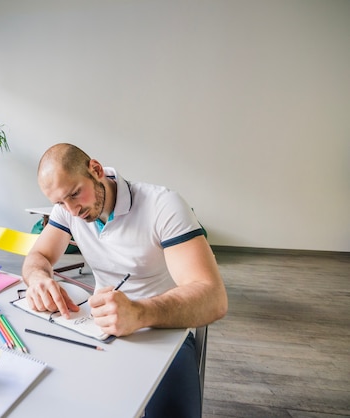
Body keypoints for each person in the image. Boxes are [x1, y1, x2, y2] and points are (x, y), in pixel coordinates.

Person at [21, 143, 228, 418]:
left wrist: (140, 313)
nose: (72, 211)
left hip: (164, 331)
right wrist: (38, 278)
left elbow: (213, 297)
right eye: (60, 202)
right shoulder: (68, 211)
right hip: (99, 327)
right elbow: (39, 256)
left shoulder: (163, 205)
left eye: (74, 194)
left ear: (95, 169)